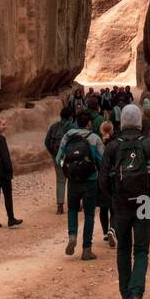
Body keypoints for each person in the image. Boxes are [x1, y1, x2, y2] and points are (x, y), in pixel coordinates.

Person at [99, 103, 150, 299]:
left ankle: (125, 293)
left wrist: (115, 197)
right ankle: (137, 292)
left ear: (122, 121)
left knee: (123, 248)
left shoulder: (112, 146)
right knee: (141, 249)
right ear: (138, 121)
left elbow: (102, 180)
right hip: (144, 201)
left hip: (121, 203)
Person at [57, 110, 104, 260]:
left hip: (73, 181)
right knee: (89, 214)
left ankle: (72, 235)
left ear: (76, 121)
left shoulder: (68, 136)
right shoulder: (94, 138)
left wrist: (67, 170)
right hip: (90, 180)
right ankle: (86, 249)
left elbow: (59, 158)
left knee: (72, 209)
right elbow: (102, 160)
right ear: (89, 123)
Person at [0, 116, 22, 229]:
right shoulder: (0, 139)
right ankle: (11, 219)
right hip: (2, 172)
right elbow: (5, 156)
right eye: (3, 124)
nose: (5, 126)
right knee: (7, 195)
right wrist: (9, 171)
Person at [44, 106, 74, 215]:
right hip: (69, 159)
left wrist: (54, 154)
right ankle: (75, 204)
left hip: (58, 158)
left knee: (60, 180)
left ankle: (60, 206)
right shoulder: (72, 127)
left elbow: (47, 142)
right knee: (72, 179)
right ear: (71, 116)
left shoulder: (54, 127)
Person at [98, 119, 117, 247]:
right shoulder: (115, 144)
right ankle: (112, 228)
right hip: (113, 178)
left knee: (103, 207)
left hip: (102, 178)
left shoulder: (97, 143)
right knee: (113, 207)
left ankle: (105, 232)